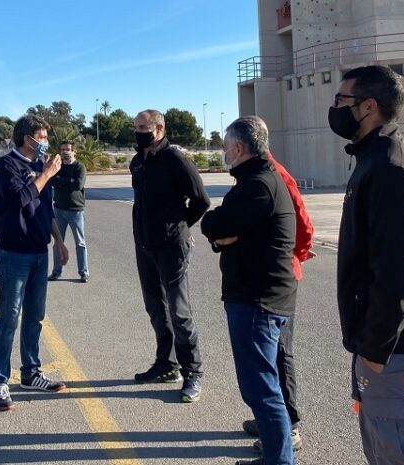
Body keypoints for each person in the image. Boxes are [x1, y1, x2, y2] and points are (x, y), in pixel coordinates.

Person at [330, 65, 404, 465]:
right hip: (382, 347)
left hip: (395, 350)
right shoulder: (373, 160)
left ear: (368, 106)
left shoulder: (390, 169)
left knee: (403, 452)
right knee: (385, 449)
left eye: (341, 101)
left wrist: (376, 350)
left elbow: (398, 274)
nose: (334, 109)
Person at [201, 116, 297, 465]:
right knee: (264, 388)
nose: (224, 153)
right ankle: (276, 456)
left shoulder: (256, 185)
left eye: (225, 147)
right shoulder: (262, 179)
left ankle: (279, 460)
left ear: (238, 148)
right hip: (265, 297)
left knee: (262, 391)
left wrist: (223, 233)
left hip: (258, 301)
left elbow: (214, 223)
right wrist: (224, 237)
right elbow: (221, 231)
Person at [243, 117, 315, 454]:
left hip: (280, 277)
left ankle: (290, 426)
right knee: (266, 353)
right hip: (268, 274)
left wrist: (294, 255)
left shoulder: (275, 174)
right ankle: (269, 418)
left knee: (279, 352)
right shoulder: (259, 173)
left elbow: (303, 221)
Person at [0, 114, 69, 412]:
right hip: (13, 253)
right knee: (9, 317)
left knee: (35, 315)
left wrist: (59, 241)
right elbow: (21, 198)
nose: (45, 142)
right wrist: (46, 173)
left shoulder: (39, 167)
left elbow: (45, 209)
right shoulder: (7, 166)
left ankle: (31, 372)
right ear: (27, 138)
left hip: (39, 251)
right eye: (42, 137)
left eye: (46, 137)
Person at [129, 109, 209, 403]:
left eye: (142, 127)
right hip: (145, 246)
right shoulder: (138, 162)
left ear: (159, 128)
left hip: (172, 247)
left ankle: (193, 373)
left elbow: (201, 200)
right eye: (135, 127)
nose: (137, 132)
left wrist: (182, 227)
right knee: (156, 308)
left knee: (179, 311)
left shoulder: (176, 160)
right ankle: (166, 364)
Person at [47, 140, 89, 282]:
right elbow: (52, 181)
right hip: (59, 209)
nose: (65, 152)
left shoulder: (80, 167)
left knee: (80, 243)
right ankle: (56, 271)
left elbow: (78, 184)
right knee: (58, 243)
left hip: (76, 210)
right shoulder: (57, 167)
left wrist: (61, 181)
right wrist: (67, 181)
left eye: (68, 149)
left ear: (74, 151)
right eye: (63, 149)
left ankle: (83, 272)